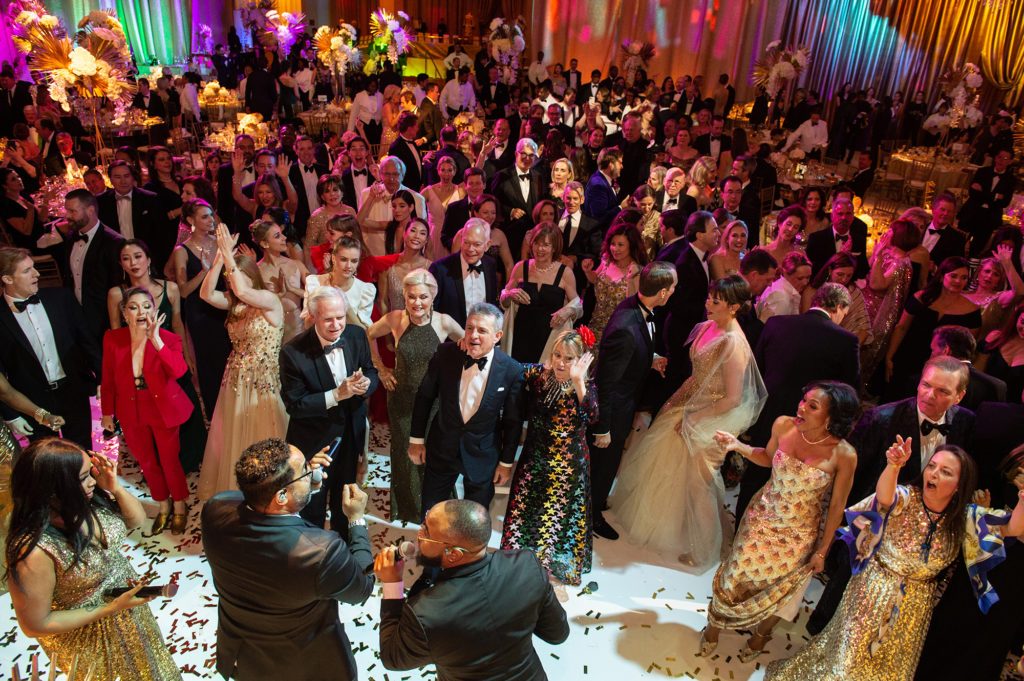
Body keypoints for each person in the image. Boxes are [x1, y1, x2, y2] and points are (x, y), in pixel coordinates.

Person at [767, 442, 1023, 681]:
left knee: (889, 672)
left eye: (945, 472)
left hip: (915, 607)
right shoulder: (907, 497)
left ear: (959, 485)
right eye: (932, 466)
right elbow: (885, 498)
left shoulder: (964, 517)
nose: (934, 474)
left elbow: (1013, 527)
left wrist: (1023, 497)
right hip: (873, 591)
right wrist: (893, 466)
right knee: (846, 665)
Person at [809, 356, 977, 633]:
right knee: (842, 593)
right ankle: (820, 633)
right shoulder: (880, 419)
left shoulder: (966, 423)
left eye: (942, 391)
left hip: (919, 540)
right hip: (875, 528)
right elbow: (851, 480)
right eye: (926, 385)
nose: (929, 395)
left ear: (959, 396)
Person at [610, 275, 767, 571]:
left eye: (716, 301)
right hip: (688, 401)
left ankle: (705, 550)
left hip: (713, 415)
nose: (708, 303)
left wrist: (695, 417)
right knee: (670, 467)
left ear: (734, 307)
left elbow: (733, 398)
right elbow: (698, 374)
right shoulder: (708, 325)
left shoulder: (734, 344)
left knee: (699, 485)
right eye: (710, 297)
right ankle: (677, 529)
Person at [703, 381, 859, 661]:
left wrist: (822, 551)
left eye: (813, 406)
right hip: (761, 519)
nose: (802, 407)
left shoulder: (844, 455)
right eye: (803, 400)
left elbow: (837, 508)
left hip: (799, 535)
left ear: (831, 418)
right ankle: (714, 626)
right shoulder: (783, 425)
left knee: (780, 589)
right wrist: (738, 446)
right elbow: (766, 457)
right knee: (735, 574)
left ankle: (761, 636)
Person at [6, 438, 181, 680]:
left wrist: (115, 488)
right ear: (53, 489)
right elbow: (35, 624)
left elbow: (137, 521)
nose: (92, 481)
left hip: (127, 612)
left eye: (91, 472)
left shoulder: (86, 500)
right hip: (92, 639)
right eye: (82, 477)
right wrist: (109, 608)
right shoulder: (34, 551)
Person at [201, 438, 374, 681]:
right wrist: (356, 519)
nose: (311, 472)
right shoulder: (321, 552)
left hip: (245, 660)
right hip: (305, 667)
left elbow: (271, 513)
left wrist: (302, 486)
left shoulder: (215, 509)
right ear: (281, 495)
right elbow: (362, 588)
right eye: (305, 470)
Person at [374, 499, 569, 679]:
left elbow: (392, 658)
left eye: (426, 533)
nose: (419, 535)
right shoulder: (527, 564)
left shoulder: (425, 613)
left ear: (453, 554)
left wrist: (392, 584)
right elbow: (557, 634)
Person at [736, 282, 860, 521]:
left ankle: (741, 527)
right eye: (845, 313)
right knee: (793, 488)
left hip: (769, 412)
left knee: (755, 477)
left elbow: (755, 371)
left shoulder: (776, 323)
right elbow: (849, 395)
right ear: (839, 307)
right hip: (811, 426)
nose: (843, 319)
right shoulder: (846, 341)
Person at [196, 225, 289, 500]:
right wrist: (218, 259)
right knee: (236, 436)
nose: (233, 283)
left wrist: (228, 254)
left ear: (251, 275)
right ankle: (242, 494)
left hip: (264, 381)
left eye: (237, 275)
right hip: (236, 380)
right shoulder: (235, 304)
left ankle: (272, 492)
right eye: (230, 278)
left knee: (266, 434)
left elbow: (243, 290)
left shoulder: (269, 300)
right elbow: (205, 294)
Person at [500, 329, 596, 589]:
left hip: (566, 466)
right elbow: (510, 367)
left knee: (553, 520)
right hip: (534, 459)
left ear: (580, 360)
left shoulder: (586, 386)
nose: (561, 363)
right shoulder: (539, 375)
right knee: (522, 511)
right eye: (557, 355)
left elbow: (592, 416)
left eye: (569, 358)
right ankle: (518, 562)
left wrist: (578, 382)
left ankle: (546, 573)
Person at [409, 303, 523, 520]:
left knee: (475, 521)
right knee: (431, 514)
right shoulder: (446, 354)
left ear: (497, 336)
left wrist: (506, 463)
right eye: (470, 328)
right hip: (442, 446)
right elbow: (424, 397)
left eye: (482, 330)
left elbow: (513, 421)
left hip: (483, 453)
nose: (473, 335)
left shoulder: (511, 370)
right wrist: (416, 439)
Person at [367, 269, 463, 522]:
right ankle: (408, 509)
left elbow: (469, 346)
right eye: (411, 297)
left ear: (433, 296)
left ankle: (436, 508)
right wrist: (381, 368)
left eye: (423, 297)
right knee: (403, 452)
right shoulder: (395, 319)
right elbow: (367, 334)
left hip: (433, 402)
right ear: (404, 296)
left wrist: (454, 380)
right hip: (401, 398)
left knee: (433, 453)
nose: (417, 303)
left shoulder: (444, 322)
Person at [589, 262, 676, 539]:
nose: (673, 291)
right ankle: (591, 517)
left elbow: (630, 353)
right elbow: (606, 382)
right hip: (613, 410)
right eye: (672, 288)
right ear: (663, 293)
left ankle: (596, 501)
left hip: (623, 403)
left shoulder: (635, 306)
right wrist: (603, 427)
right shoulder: (625, 328)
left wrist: (650, 359)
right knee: (604, 465)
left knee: (606, 465)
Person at [279, 286, 377, 531]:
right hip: (314, 442)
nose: (336, 325)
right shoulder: (292, 352)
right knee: (312, 505)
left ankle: (341, 546)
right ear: (313, 317)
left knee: (345, 501)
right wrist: (336, 395)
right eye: (328, 319)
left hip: (350, 434)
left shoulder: (357, 335)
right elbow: (295, 405)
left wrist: (367, 384)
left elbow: (370, 370)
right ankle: (314, 549)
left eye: (340, 317)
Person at [107, 240, 206, 473]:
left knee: (185, 408)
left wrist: (186, 356)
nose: (133, 263)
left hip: (169, 359)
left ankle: (190, 460)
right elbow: (115, 335)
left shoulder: (170, 288)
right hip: (141, 366)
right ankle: (161, 466)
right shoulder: (116, 294)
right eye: (126, 258)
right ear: (121, 264)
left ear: (148, 259)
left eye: (138, 256)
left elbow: (177, 325)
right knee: (153, 418)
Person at [100, 287, 192, 535]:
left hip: (163, 407)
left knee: (170, 461)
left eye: (146, 306)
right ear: (125, 314)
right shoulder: (112, 338)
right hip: (130, 408)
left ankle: (180, 505)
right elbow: (107, 379)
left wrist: (156, 340)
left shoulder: (169, 339)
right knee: (147, 462)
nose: (141, 311)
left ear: (155, 310)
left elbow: (179, 371)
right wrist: (107, 413)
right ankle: (163, 505)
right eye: (133, 307)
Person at [0, 248, 101, 450]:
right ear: (8, 279)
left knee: (83, 452)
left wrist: (102, 379)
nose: (37, 274)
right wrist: (11, 415)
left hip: (73, 390)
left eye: (34, 267)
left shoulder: (61, 298)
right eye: (27, 270)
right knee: (48, 459)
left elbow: (87, 343)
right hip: (31, 400)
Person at [885, 256, 981, 401]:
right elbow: (901, 328)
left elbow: (967, 350)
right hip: (908, 357)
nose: (958, 281)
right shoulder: (921, 298)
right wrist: (889, 357)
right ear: (942, 276)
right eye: (954, 276)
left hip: (940, 367)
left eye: (963, 278)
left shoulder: (972, 311)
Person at [170, 199, 232, 419]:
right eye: (204, 216)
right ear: (190, 220)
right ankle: (215, 415)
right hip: (200, 313)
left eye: (211, 215)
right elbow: (183, 290)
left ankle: (234, 410)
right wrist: (205, 272)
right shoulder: (182, 250)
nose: (211, 220)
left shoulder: (219, 243)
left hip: (223, 307)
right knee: (208, 363)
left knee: (229, 359)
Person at [500, 223, 582, 364]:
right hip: (520, 338)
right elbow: (503, 300)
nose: (539, 249)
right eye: (536, 243)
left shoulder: (565, 273)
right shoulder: (521, 267)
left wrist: (568, 310)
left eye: (546, 245)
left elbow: (578, 306)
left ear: (554, 247)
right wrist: (510, 294)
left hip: (549, 341)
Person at [60, 189, 125, 348]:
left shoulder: (114, 242)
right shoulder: (72, 236)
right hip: (75, 312)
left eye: (73, 211)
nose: (67, 216)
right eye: (67, 210)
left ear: (90, 210)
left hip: (101, 317)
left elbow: (116, 285)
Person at [429, 218, 499, 326]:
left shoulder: (490, 265)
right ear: (461, 239)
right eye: (466, 242)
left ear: (487, 245)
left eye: (477, 244)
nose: (470, 249)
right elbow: (431, 311)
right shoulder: (439, 269)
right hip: (450, 335)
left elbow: (491, 306)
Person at [928, 324, 1006, 410]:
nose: (931, 356)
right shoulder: (997, 386)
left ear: (946, 350)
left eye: (933, 350)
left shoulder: (930, 380)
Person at [802, 252, 872, 344]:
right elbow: (807, 325)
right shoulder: (812, 291)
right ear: (830, 270)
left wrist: (851, 349)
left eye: (849, 275)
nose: (844, 279)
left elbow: (864, 328)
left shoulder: (853, 292)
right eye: (840, 274)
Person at [805, 197, 868, 280]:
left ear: (853, 217)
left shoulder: (859, 240)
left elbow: (863, 271)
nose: (844, 217)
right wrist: (840, 256)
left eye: (848, 214)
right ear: (832, 216)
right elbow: (809, 271)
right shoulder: (816, 238)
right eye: (840, 214)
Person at [979, 301, 1024, 403]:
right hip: (979, 398)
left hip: (1009, 409)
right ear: (1016, 318)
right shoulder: (996, 337)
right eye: (1023, 321)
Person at [757, 251, 812, 321]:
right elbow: (772, 326)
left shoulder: (785, 290)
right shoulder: (781, 298)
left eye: (808, 277)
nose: (805, 283)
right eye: (800, 278)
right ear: (786, 274)